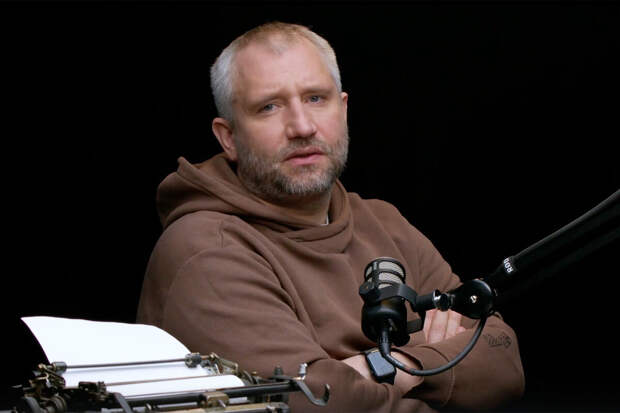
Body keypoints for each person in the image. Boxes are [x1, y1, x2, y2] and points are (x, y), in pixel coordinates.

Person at [137, 22, 525, 412]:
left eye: (316, 99)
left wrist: (387, 366)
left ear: (343, 109)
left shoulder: (384, 222)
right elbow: (311, 404)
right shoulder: (205, 250)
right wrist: (440, 362)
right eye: (269, 106)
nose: (302, 126)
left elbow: (503, 363)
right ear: (228, 137)